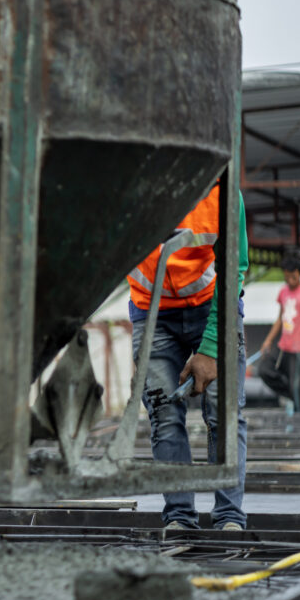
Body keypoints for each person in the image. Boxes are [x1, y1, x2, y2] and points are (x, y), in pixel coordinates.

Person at [126, 183, 248, 531]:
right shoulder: (126, 187)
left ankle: (228, 518)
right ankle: (179, 517)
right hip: (151, 312)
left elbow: (233, 268)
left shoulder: (221, 190)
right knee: (164, 414)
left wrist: (211, 346)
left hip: (212, 302)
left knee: (223, 412)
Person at [258, 256, 300, 413]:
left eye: (293, 276)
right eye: (287, 276)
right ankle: (295, 395)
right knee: (264, 370)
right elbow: (280, 319)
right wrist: (268, 340)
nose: (290, 280)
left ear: (299, 273)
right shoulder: (283, 292)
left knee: (296, 384)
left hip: (298, 347)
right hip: (283, 345)